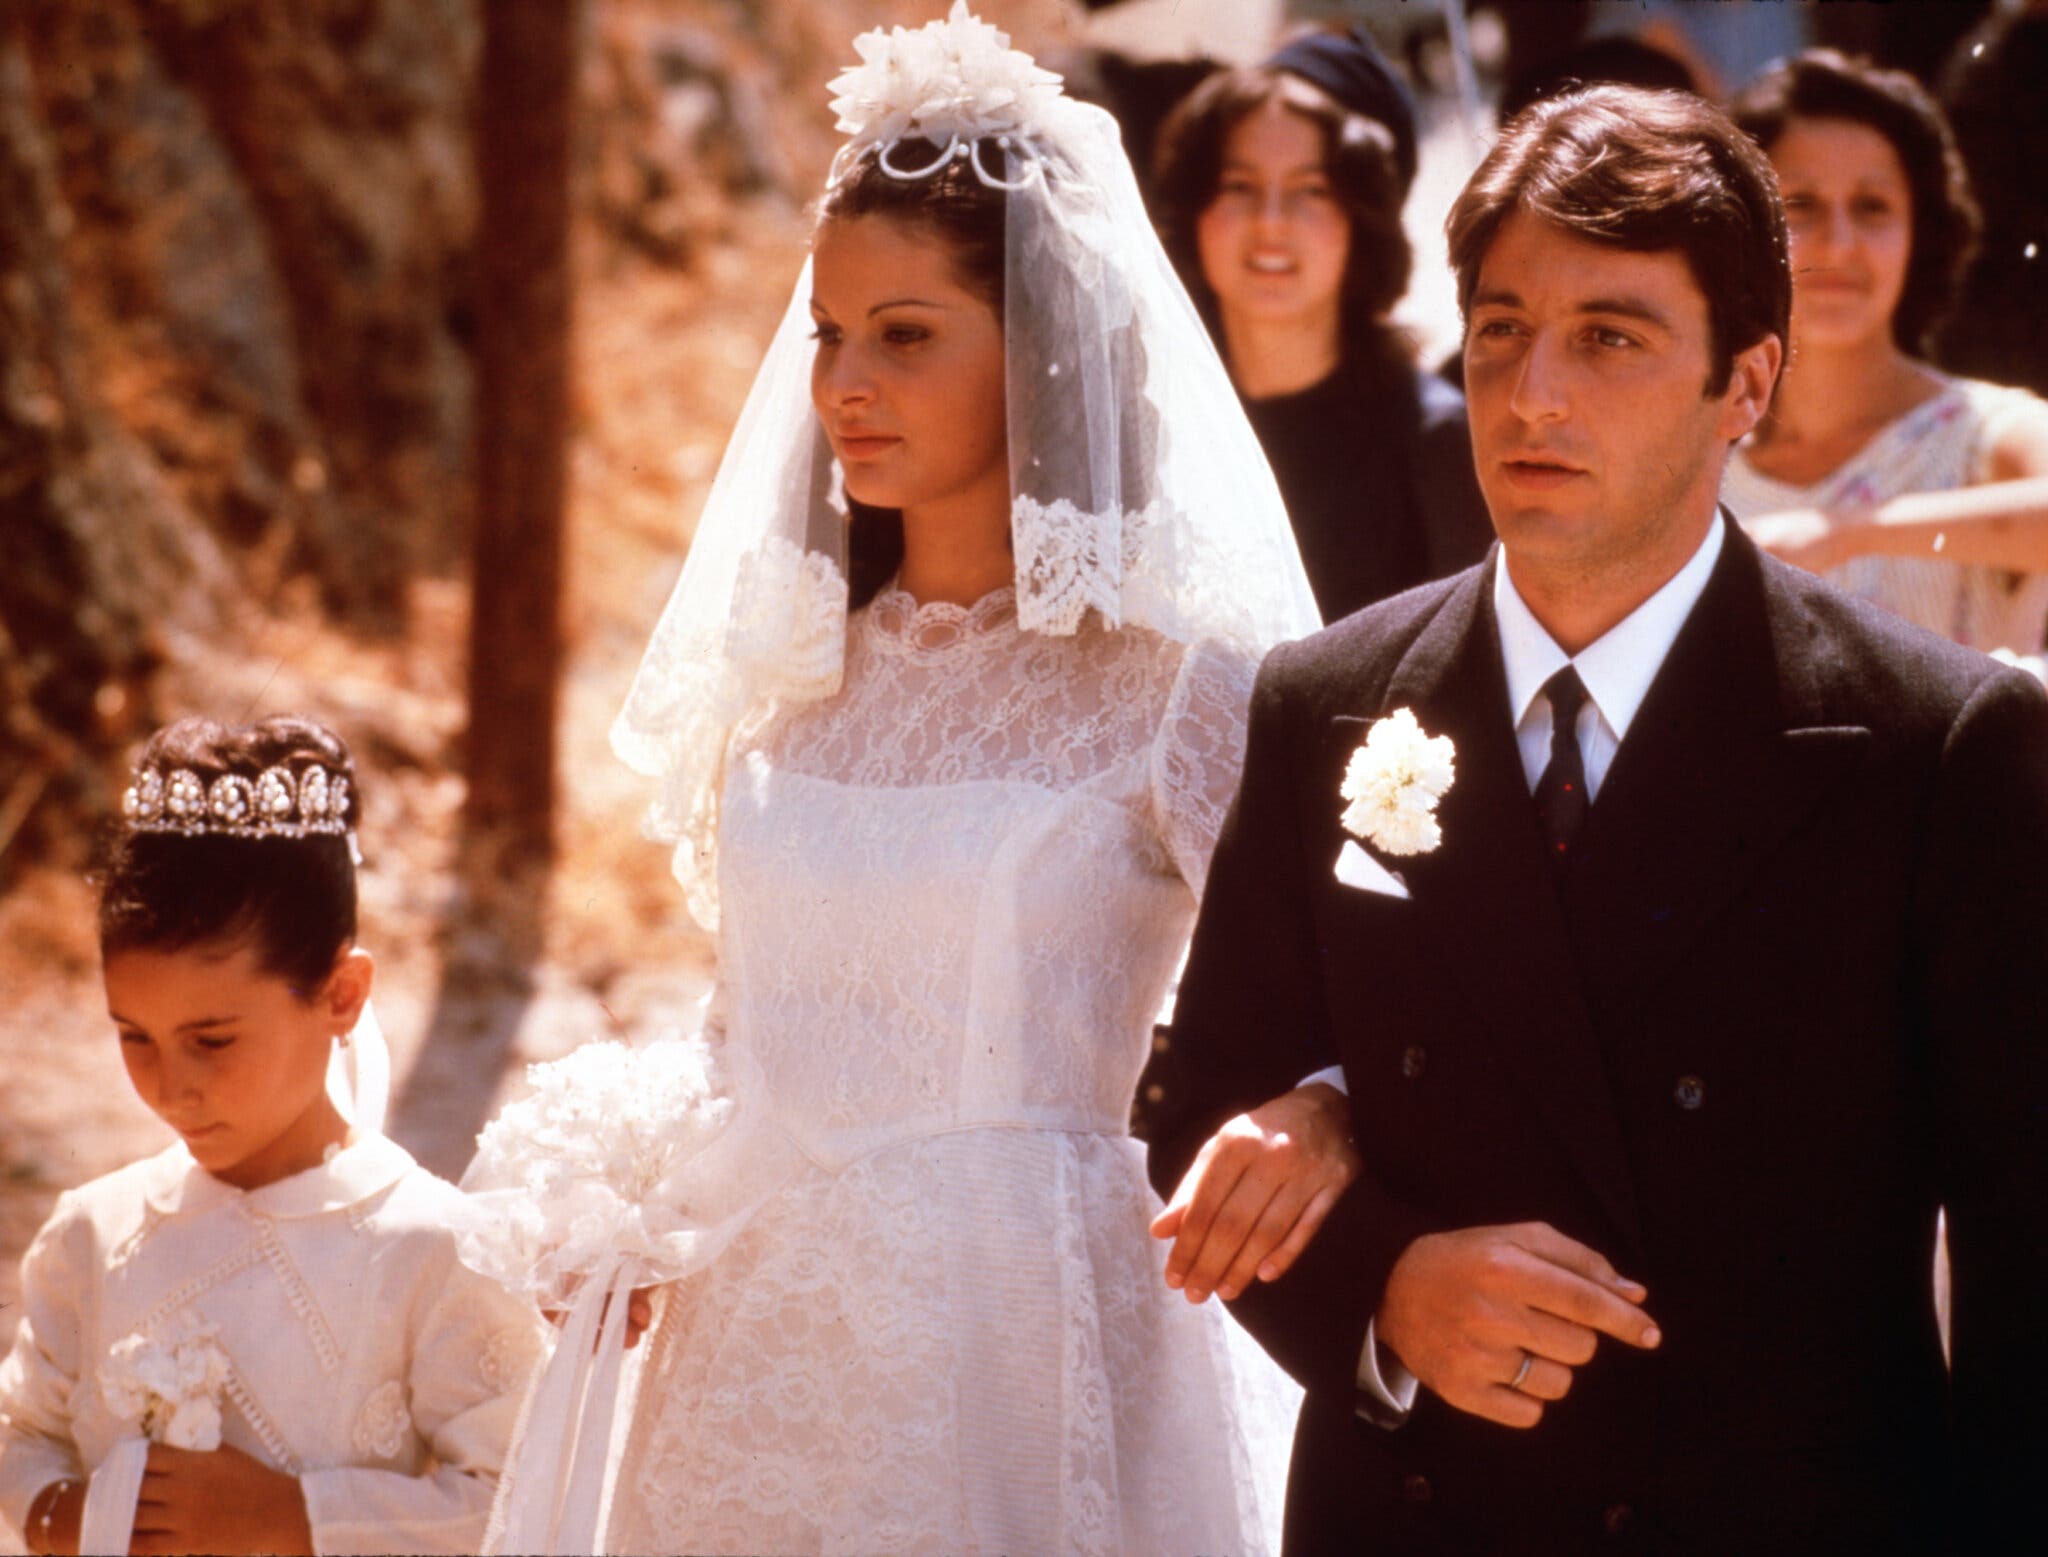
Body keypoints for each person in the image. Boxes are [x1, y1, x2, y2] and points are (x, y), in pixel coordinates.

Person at [1148, 84, 2048, 1551]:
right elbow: (1200, 1106)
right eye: (1500, 330)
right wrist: (1383, 1287)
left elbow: (2026, 1271)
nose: (1532, 396)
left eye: (1609, 338)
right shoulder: (1327, 700)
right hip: (1416, 1510)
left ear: (1744, 383)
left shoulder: (1932, 741)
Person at [584, 7, 1344, 1552]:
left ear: (1044, 346)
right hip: (754, 1361)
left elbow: (1349, 989)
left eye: (906, 334)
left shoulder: (1171, 682)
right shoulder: (796, 677)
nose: (844, 384)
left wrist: (1321, 1116)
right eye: (827, 334)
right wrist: (620, 1191)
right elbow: (749, 1028)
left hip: (1025, 1342)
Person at [0, 716, 545, 1556]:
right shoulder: (91, 1234)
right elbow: (21, 1431)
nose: (170, 1085)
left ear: (341, 995)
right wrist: (66, 1518)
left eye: (212, 1040)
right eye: (134, 1034)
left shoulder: (436, 1250)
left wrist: (296, 1516)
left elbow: (514, 1501)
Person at [1153, 26, 1491, 624]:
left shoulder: (1436, 442)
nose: (1271, 222)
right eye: (1239, 186)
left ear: (1364, 220)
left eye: (1310, 190)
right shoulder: (1153, 422)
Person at [1722, 50, 2048, 656]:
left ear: (1921, 233)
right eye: (1802, 205)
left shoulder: (1980, 435)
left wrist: (1847, 533)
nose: (1839, 244)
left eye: (1872, 207)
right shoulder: (1703, 452)